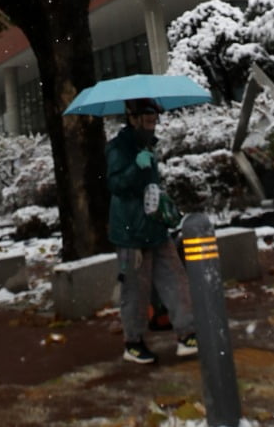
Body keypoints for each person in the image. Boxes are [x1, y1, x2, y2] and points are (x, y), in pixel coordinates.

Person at [106, 97, 198, 365]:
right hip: (129, 234)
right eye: (147, 119)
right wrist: (136, 167)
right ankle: (133, 342)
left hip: (155, 228)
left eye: (154, 119)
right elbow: (116, 186)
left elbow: (149, 187)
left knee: (175, 280)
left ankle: (187, 333)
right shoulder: (117, 148)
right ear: (132, 118)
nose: (152, 125)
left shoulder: (147, 144)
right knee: (134, 290)